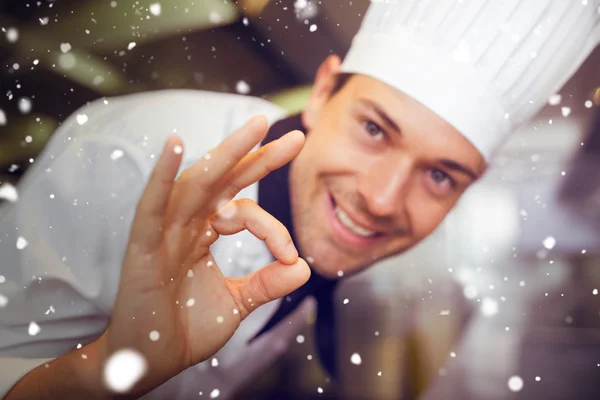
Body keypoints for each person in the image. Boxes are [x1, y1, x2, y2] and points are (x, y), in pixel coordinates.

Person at [1, 0, 599, 398]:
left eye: (441, 175)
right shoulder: (129, 160)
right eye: (374, 129)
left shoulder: (325, 231)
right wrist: (110, 369)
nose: (384, 199)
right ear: (321, 92)